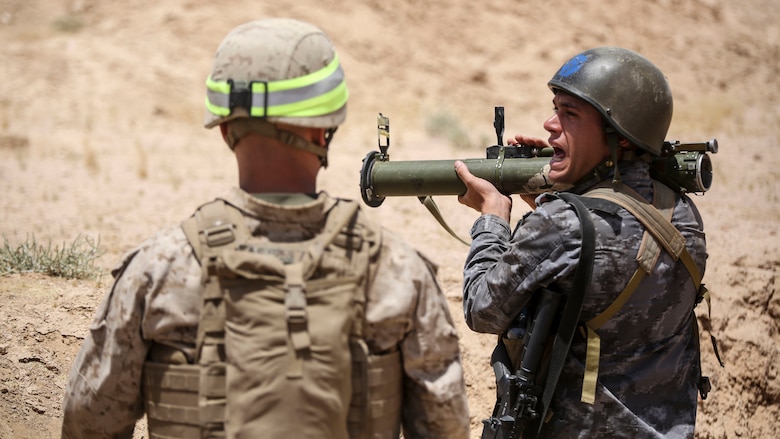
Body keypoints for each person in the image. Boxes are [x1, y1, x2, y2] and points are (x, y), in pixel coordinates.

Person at [62, 18, 470, 439]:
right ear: (324, 128)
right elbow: (445, 426)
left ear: (224, 130)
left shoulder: (158, 268)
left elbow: (89, 420)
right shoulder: (397, 269)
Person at [454, 47, 708, 438]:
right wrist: (560, 197)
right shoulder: (683, 215)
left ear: (619, 137)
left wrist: (493, 217)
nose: (550, 123)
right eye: (555, 108)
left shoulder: (562, 225)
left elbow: (482, 308)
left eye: (569, 114)